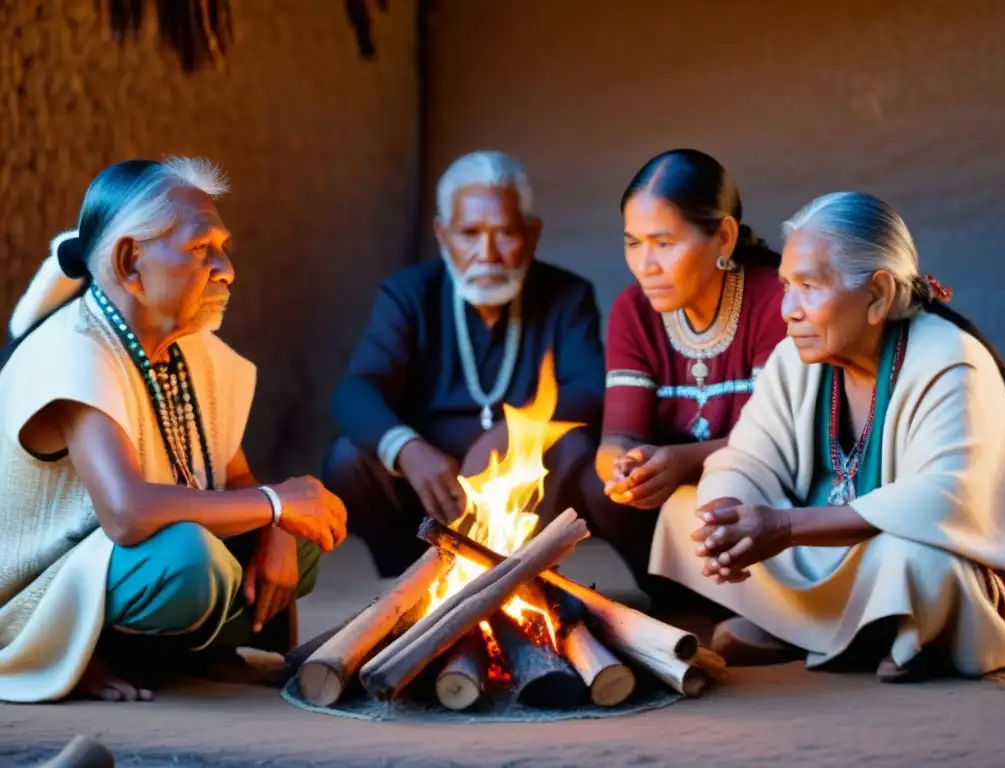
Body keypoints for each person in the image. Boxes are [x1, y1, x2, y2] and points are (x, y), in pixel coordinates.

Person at [0, 158, 347, 704]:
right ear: (130, 261)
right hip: (39, 597)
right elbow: (128, 513)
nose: (226, 269)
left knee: (297, 532)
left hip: (134, 561)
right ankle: (76, 653)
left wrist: (278, 522)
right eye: (200, 249)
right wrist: (275, 504)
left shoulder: (191, 351)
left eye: (223, 248)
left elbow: (237, 481)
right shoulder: (75, 349)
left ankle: (207, 654)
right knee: (190, 559)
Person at [651, 191, 1005, 682]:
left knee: (918, 563)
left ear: (878, 295)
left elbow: (941, 500)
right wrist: (730, 522)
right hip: (831, 554)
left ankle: (816, 628)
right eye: (785, 285)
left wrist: (782, 527)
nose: (787, 309)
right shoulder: (794, 358)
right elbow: (745, 458)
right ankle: (854, 629)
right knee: (686, 511)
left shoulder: (950, 358)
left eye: (808, 285)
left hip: (911, 550)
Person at [323, 150, 605, 578]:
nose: (487, 252)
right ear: (442, 235)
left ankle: (524, 567)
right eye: (469, 233)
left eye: (505, 233)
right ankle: (414, 574)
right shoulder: (409, 293)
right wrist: (409, 450)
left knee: (574, 446)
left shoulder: (567, 294)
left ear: (532, 234)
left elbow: (590, 388)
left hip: (524, 483)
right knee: (348, 457)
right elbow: (357, 390)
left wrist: (511, 434)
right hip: (430, 485)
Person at [586, 149, 787, 590]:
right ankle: (680, 598)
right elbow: (619, 437)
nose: (646, 266)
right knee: (591, 480)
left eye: (664, 243)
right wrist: (624, 470)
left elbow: (777, 445)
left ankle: (758, 607)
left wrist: (681, 462)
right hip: (672, 506)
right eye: (633, 243)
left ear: (724, 237)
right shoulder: (633, 310)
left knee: (752, 490)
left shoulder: (777, 301)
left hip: (756, 496)